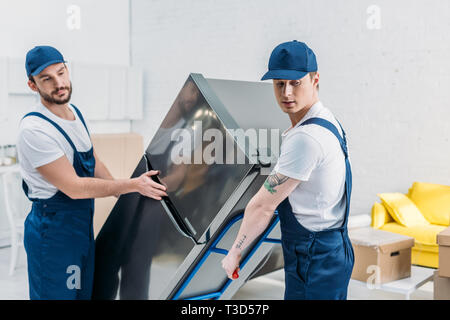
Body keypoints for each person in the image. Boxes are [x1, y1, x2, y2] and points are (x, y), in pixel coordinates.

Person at [17, 45, 167, 300]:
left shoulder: (75, 114)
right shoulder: (34, 130)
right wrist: (132, 185)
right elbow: (74, 187)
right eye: (47, 79)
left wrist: (126, 201)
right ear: (33, 85)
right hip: (54, 234)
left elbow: (93, 161)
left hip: (80, 229)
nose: (59, 83)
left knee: (83, 295)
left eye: (61, 73)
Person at [221, 40, 354, 300]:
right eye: (279, 84)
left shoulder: (306, 138)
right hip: (332, 250)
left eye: (296, 83)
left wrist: (235, 252)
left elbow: (263, 206)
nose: (287, 93)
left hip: (314, 258)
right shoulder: (328, 120)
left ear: (315, 79)